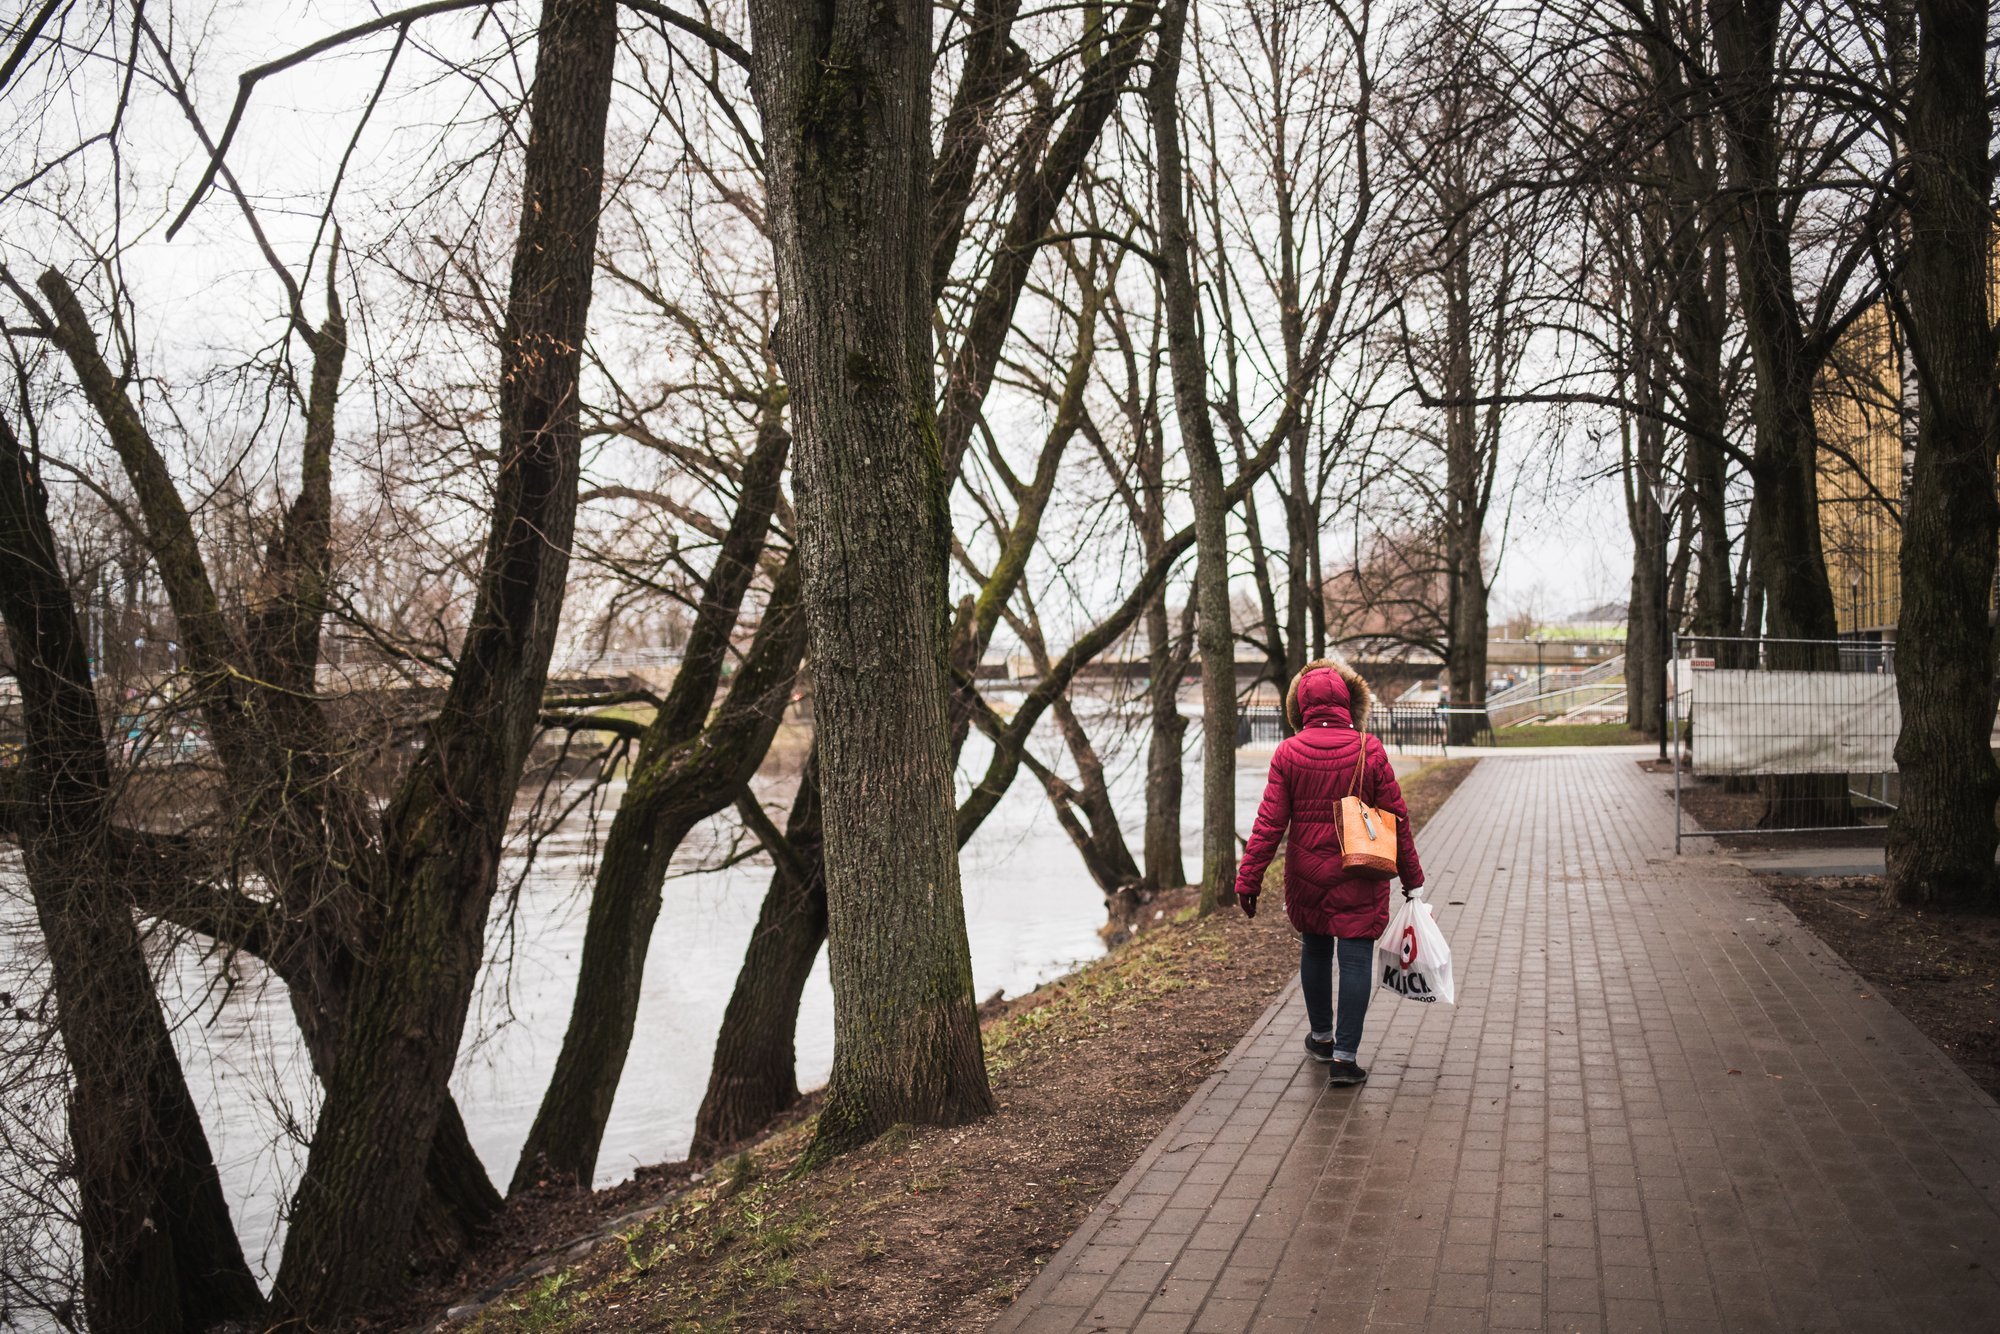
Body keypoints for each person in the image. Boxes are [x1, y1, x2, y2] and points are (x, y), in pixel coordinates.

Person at [1233, 658, 1424, 1086]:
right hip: (1360, 869)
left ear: (1299, 706)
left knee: (1316, 950)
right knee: (1355, 959)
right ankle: (1344, 1057)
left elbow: (1269, 822)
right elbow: (1397, 817)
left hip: (1307, 874)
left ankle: (1321, 1037)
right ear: (1348, 701)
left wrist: (1250, 878)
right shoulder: (1368, 749)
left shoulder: (1287, 752)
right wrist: (1412, 877)